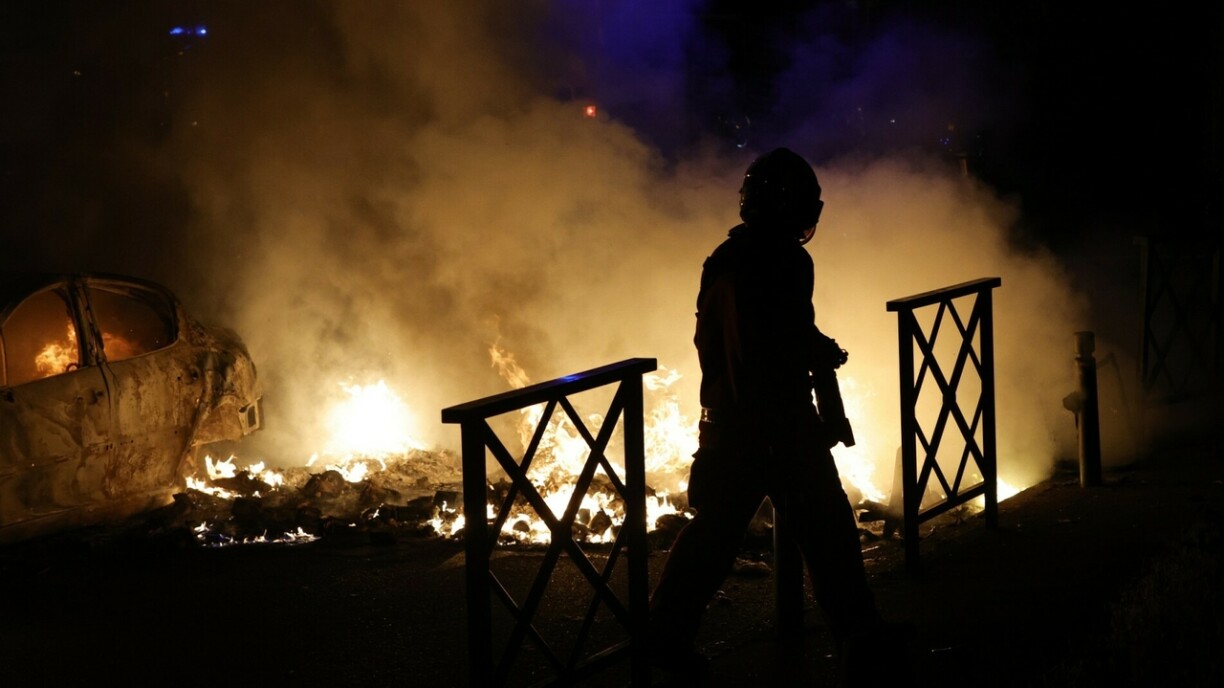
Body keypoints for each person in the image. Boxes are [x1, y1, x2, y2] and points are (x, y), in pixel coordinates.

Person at [648, 147, 903, 683]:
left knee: (709, 544)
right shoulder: (788, 260)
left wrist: (814, 343)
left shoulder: (724, 258)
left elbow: (750, 331)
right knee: (830, 536)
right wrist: (809, 358)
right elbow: (768, 339)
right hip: (778, 425)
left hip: (726, 424)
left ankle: (662, 647)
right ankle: (861, 641)